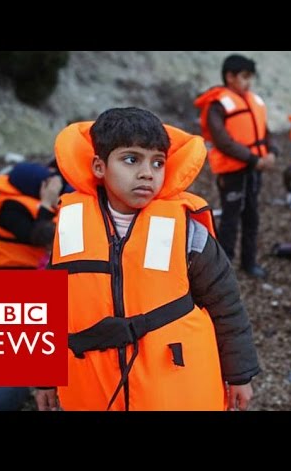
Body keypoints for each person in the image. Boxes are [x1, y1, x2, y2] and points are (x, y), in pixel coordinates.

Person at [36, 107, 260, 411]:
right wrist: (44, 378)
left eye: (158, 162)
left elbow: (227, 306)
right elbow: (48, 307)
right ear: (99, 167)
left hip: (173, 386)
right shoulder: (71, 226)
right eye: (131, 159)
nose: (147, 173)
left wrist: (240, 375)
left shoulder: (187, 232)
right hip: (95, 385)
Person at [194, 54, 279, 280]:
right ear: (230, 77)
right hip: (233, 171)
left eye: (251, 77)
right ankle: (224, 267)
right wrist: (253, 159)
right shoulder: (217, 105)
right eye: (244, 76)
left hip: (254, 169)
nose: (248, 82)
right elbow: (222, 140)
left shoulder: (254, 101)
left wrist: (272, 152)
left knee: (252, 215)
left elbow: (265, 131)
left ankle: (249, 262)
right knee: (230, 218)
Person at [0, 162, 63, 269]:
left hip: (41, 266)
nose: (53, 190)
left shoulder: (37, 202)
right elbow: (41, 237)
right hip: (17, 269)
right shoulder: (8, 209)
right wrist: (46, 204)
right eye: (48, 184)